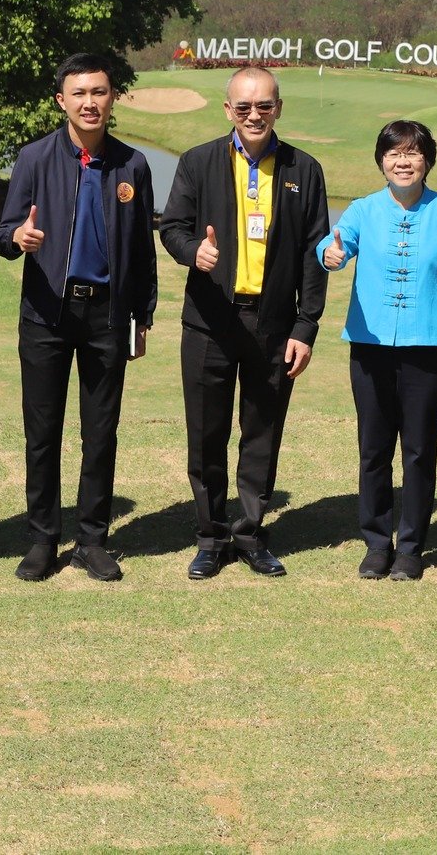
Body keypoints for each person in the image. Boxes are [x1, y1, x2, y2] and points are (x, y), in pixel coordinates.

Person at [159, 65, 330, 579]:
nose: (254, 115)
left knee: (262, 433)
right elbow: (172, 227)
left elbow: (315, 253)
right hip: (210, 321)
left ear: (279, 108)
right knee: (206, 435)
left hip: (273, 326)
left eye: (264, 106)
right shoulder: (198, 161)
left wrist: (305, 327)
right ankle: (211, 537)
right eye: (244, 106)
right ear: (228, 109)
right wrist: (194, 251)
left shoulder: (304, 169)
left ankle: (250, 533)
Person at [0, 53, 157, 583]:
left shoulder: (133, 165)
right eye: (79, 93)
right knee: (42, 432)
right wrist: (19, 238)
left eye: (99, 92)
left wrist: (142, 316)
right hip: (47, 313)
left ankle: (91, 540)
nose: (90, 103)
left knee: (101, 433)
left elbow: (143, 250)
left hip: (107, 315)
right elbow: (3, 233)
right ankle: (43, 539)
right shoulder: (35, 158)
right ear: (61, 100)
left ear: (112, 98)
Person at [322, 120, 437, 581]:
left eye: (413, 153)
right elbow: (335, 244)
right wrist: (329, 254)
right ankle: (376, 543)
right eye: (394, 153)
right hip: (371, 348)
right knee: (373, 449)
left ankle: (410, 547)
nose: (403, 162)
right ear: (381, 160)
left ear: (427, 160)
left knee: (419, 450)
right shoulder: (363, 209)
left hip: (430, 349)